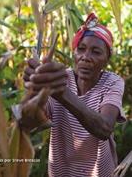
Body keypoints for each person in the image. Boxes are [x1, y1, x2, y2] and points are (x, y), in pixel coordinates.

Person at [23, 13, 126, 177]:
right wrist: (33, 92)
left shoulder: (112, 82)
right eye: (81, 49)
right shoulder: (61, 77)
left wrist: (60, 91)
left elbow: (104, 128)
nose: (86, 57)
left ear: (107, 59)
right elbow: (31, 121)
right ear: (74, 53)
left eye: (96, 52)